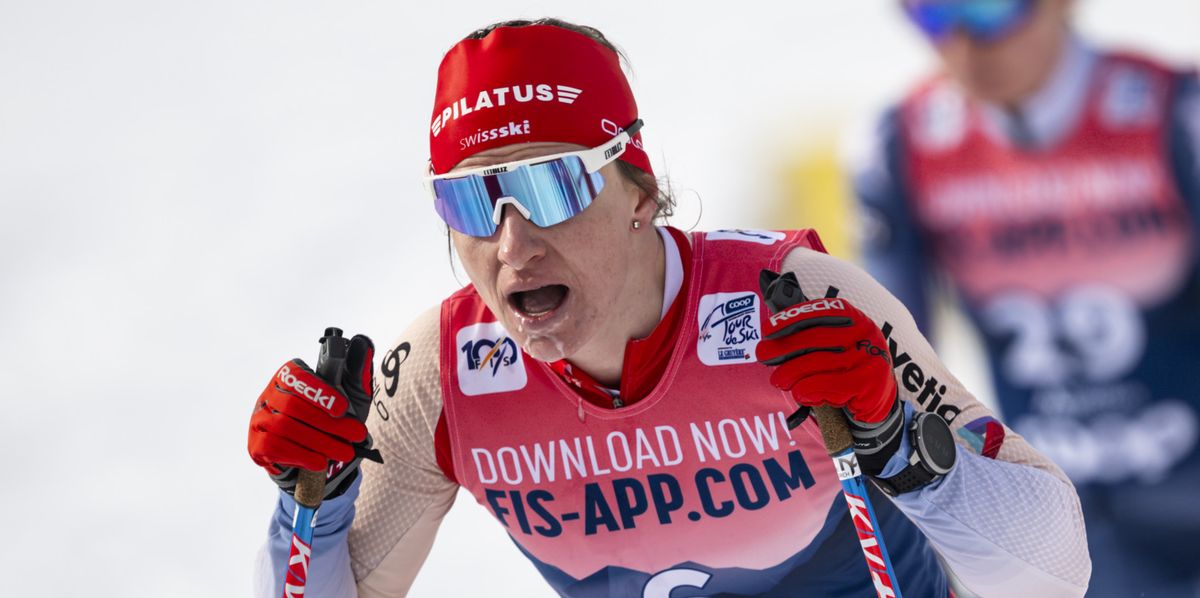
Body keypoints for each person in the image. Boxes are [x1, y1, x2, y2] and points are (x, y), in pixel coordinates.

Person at [249, 18, 1089, 597]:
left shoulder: (795, 302)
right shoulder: (444, 373)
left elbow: (1055, 574)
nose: (512, 246)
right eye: (472, 203)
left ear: (639, 191)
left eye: (551, 185)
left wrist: (896, 443)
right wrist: (305, 504)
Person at [849, 0, 1200, 595]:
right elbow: (888, 367)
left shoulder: (1176, 113)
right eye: (930, 14)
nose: (964, 40)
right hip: (1061, 527)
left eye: (989, 9)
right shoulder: (898, 144)